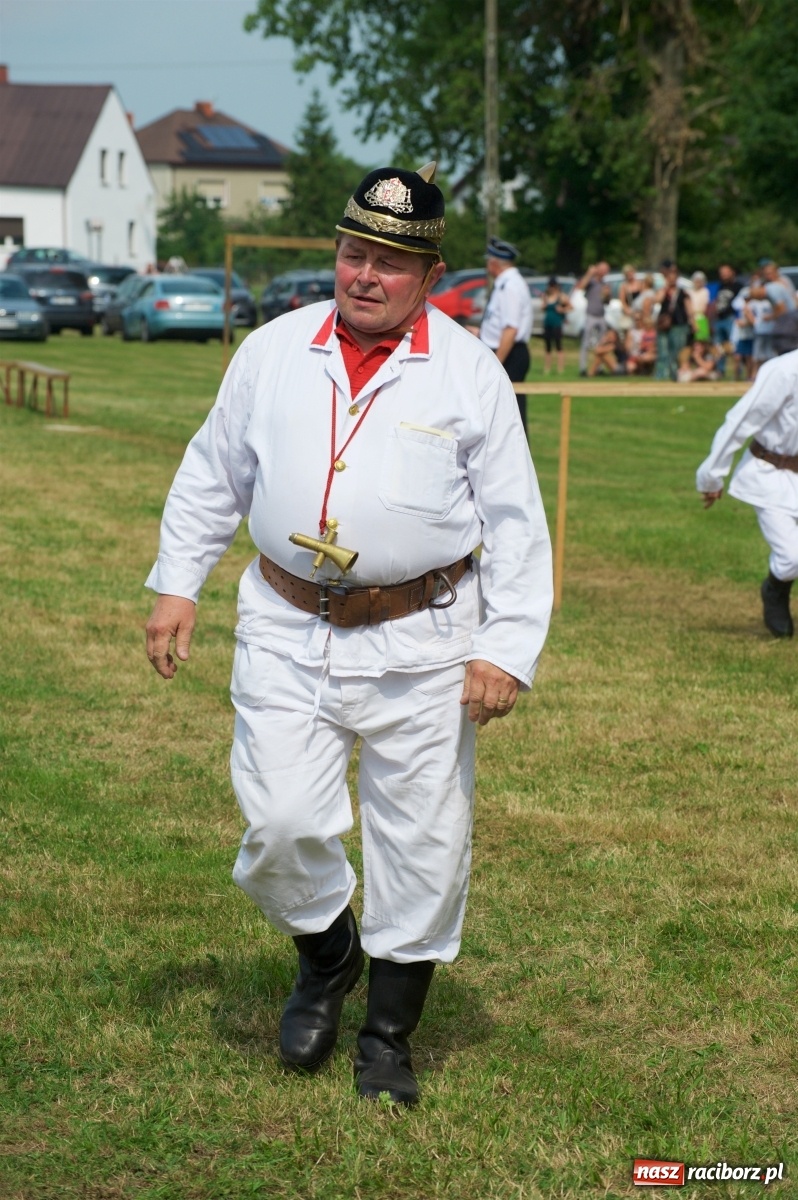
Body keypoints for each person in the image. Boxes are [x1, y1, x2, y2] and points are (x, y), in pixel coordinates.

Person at [144, 162, 553, 1107]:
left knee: (422, 840)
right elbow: (215, 472)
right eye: (353, 251)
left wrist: (506, 649)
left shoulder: (470, 373)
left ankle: (387, 1037)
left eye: (390, 261)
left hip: (424, 639)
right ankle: (326, 956)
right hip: (288, 623)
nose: (365, 274)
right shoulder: (274, 350)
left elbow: (518, 523)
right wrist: (178, 583)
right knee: (281, 820)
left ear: (428, 271)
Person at [697, 349, 798, 637]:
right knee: (792, 556)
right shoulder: (783, 371)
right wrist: (712, 478)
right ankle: (775, 589)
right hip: (771, 475)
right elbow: (740, 423)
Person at [478, 237, 533, 426]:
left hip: (508, 354)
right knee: (498, 415)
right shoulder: (506, 283)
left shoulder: (510, 285)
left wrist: (496, 364)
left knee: (509, 417)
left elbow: (511, 329)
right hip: (504, 351)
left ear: (494, 263)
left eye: (488, 261)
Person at [654, 260, 694, 380]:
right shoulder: (663, 291)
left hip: (679, 325)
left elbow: (689, 310)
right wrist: (665, 290)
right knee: (662, 351)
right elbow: (657, 300)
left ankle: (674, 374)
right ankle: (661, 375)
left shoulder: (682, 293)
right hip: (664, 325)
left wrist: (693, 323)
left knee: (676, 352)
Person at [577, 261, 610, 376]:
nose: (606, 272)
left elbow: (607, 302)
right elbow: (581, 286)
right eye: (604, 269)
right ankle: (583, 368)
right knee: (586, 343)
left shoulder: (604, 283)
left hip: (601, 316)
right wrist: (589, 273)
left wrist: (607, 295)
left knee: (601, 343)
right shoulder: (591, 281)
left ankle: (598, 367)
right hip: (591, 315)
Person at [542, 276, 570, 374]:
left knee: (559, 347)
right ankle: (547, 368)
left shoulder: (561, 296)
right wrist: (544, 304)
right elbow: (543, 308)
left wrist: (562, 310)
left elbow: (570, 306)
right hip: (547, 324)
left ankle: (560, 369)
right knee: (548, 348)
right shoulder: (546, 296)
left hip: (556, 324)